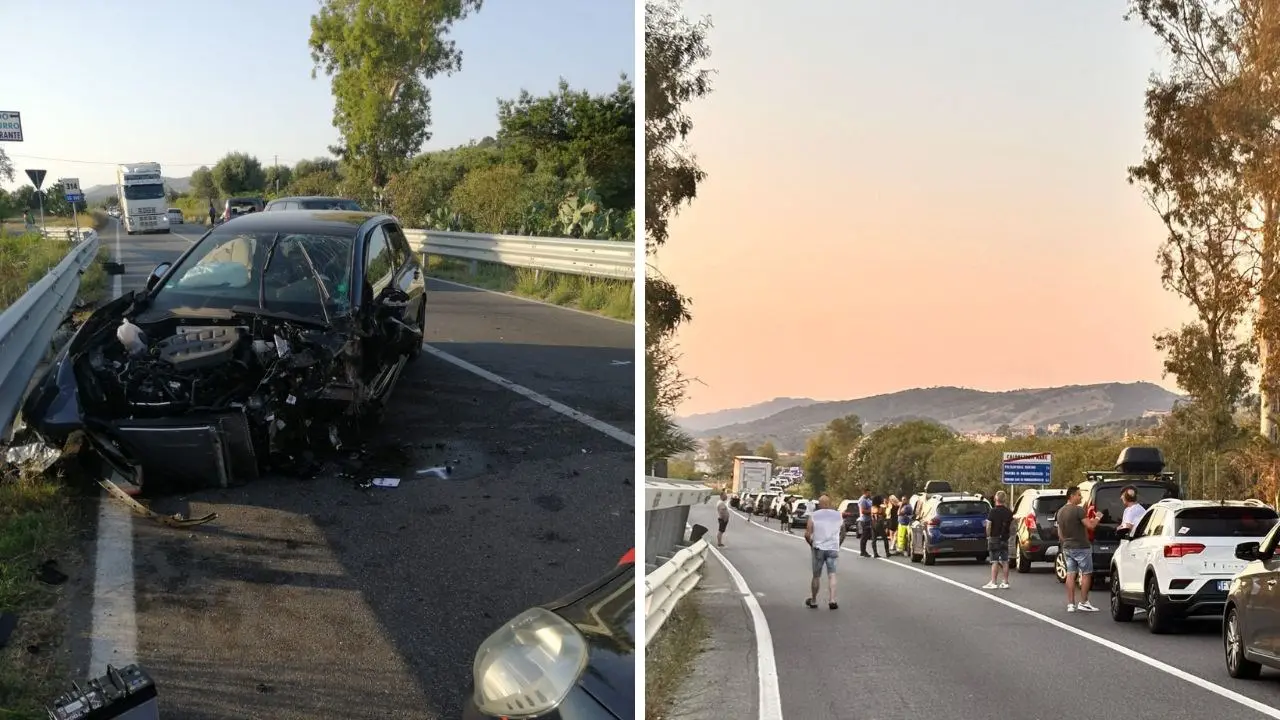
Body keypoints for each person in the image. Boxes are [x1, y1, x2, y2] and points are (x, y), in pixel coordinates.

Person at [1056, 485, 1101, 612]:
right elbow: (1090, 526)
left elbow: (1060, 533)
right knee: (1086, 573)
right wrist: (1097, 517)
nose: (1081, 497)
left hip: (1067, 547)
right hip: (1081, 546)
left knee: (1070, 574)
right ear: (1072, 496)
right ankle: (1084, 602)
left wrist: (1067, 541)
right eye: (1079, 495)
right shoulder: (1078, 510)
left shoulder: (1060, 512)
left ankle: (1071, 604)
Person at [805, 494, 847, 609]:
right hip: (832, 548)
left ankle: (813, 600)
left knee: (816, 576)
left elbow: (807, 534)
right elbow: (843, 531)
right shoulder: (838, 515)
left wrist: (812, 544)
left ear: (819, 504)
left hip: (818, 548)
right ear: (829, 504)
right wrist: (838, 544)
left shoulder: (814, 515)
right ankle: (832, 600)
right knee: (832, 574)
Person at [983, 491, 1015, 590]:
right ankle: (1005, 582)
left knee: (994, 560)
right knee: (1005, 560)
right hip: (1005, 538)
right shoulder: (1009, 512)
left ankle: (993, 582)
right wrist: (1009, 535)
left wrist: (988, 535)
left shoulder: (993, 511)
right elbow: (1013, 527)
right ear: (1005, 500)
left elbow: (988, 525)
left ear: (996, 499)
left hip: (994, 538)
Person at [857, 488, 875, 557]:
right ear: (865, 493)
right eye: (869, 493)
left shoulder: (868, 500)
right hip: (864, 520)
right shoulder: (862, 500)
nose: (870, 494)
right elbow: (863, 511)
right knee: (864, 536)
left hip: (868, 520)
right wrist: (871, 511)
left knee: (867, 536)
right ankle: (863, 551)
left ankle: (864, 550)